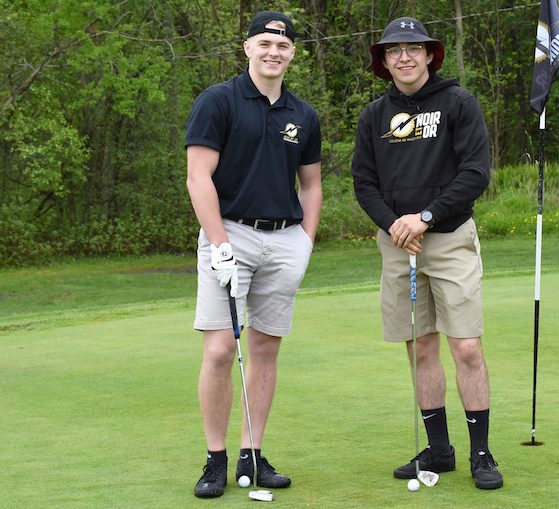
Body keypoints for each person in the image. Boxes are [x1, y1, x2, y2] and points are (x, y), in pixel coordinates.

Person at [351, 17, 503, 490]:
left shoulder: (458, 103)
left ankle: (481, 453)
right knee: (420, 348)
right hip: (399, 245)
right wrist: (396, 224)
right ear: (384, 61)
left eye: (414, 48)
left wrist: (427, 217)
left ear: (430, 54)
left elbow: (475, 172)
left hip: (450, 238)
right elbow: (364, 182)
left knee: (467, 347)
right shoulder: (374, 116)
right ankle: (440, 450)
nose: (405, 57)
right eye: (394, 50)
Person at [184, 11, 322, 498]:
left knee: (265, 349)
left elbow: (311, 183)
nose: (273, 52)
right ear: (247, 48)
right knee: (222, 350)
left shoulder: (302, 115)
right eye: (265, 43)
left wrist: (305, 240)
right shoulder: (218, 102)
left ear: (292, 54)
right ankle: (216, 459)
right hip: (231, 236)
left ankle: (253, 455)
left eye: (282, 46)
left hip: (285, 239)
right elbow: (198, 177)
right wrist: (218, 244)